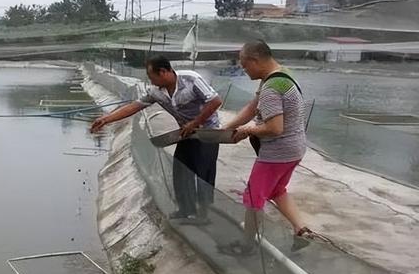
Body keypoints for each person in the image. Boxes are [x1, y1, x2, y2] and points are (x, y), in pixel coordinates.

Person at [90, 56, 222, 223]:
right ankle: (185, 209)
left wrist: (195, 122)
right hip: (187, 134)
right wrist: (106, 119)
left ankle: (203, 215)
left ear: (163, 72)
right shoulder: (156, 92)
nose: (151, 81)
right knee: (181, 169)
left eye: (152, 76)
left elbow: (215, 101)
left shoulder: (192, 79)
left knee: (203, 172)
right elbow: (134, 106)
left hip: (207, 132)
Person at [225, 40, 324, 252]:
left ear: (255, 60)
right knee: (277, 189)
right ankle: (302, 230)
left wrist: (247, 130)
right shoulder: (280, 75)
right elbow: (253, 108)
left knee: (253, 197)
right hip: (295, 148)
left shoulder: (271, 88)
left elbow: (275, 128)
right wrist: (227, 128)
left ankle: (247, 245)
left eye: (245, 66)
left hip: (277, 151)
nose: (244, 70)